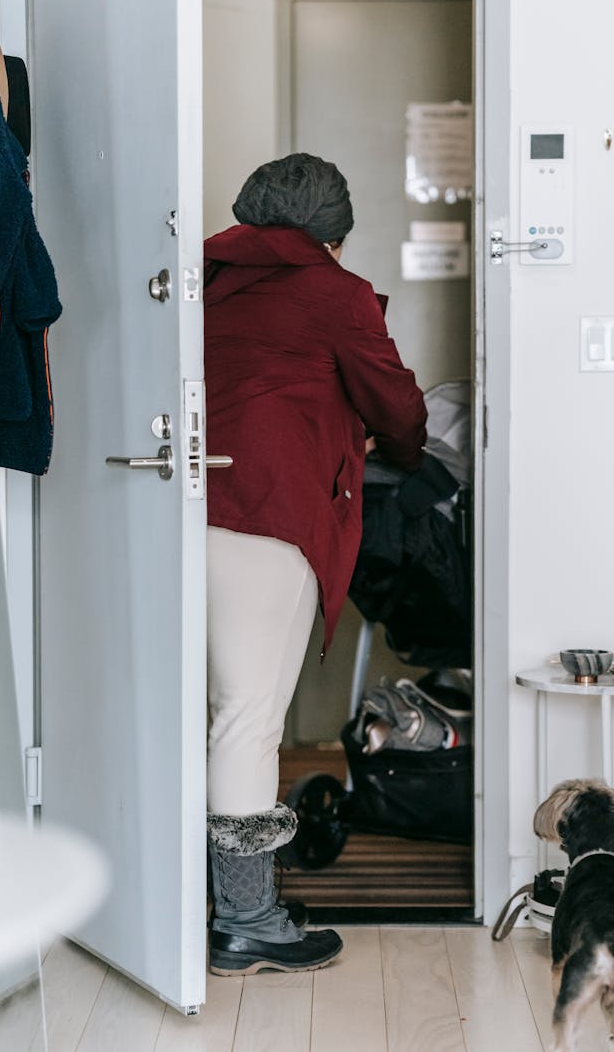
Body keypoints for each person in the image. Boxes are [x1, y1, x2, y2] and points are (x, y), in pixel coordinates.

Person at [203, 152, 427, 976]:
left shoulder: (195, 272)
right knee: (248, 718)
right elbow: (398, 406)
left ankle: (191, 901)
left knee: (188, 715)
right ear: (329, 236)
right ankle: (248, 919)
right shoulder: (334, 291)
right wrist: (394, 445)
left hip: (170, 508)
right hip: (265, 519)